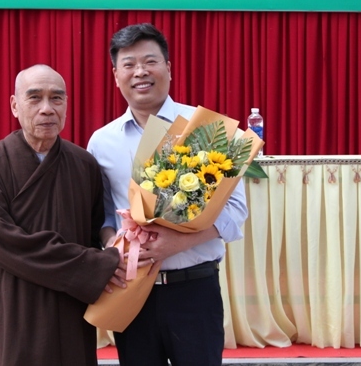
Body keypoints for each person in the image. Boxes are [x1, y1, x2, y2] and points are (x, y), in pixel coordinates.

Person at [87, 23, 248, 366]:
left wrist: (179, 242)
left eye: (150, 61)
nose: (140, 72)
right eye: (129, 65)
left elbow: (236, 211)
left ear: (169, 68)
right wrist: (113, 245)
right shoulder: (101, 141)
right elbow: (102, 215)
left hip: (194, 290)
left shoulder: (207, 128)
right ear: (116, 76)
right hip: (132, 292)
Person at [0, 64, 124, 366]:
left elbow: (93, 232)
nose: (47, 109)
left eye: (56, 98)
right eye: (34, 98)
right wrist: (93, 266)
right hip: (14, 298)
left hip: (70, 301)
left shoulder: (84, 164)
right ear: (15, 105)